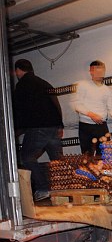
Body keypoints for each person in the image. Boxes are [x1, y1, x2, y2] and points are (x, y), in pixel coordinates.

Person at [12, 59, 64, 201]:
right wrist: (60, 125)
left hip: (37, 128)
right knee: (58, 161)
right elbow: (55, 102)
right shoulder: (44, 83)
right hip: (53, 127)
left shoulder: (21, 86)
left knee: (27, 157)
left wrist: (16, 130)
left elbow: (19, 110)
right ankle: (64, 189)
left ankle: (43, 188)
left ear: (18, 70)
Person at [70, 60, 112, 156]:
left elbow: (111, 109)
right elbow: (76, 104)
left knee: (104, 154)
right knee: (87, 156)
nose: (99, 73)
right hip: (86, 126)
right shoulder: (83, 85)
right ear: (91, 71)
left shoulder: (107, 90)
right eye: (96, 70)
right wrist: (91, 115)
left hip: (101, 126)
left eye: (101, 71)